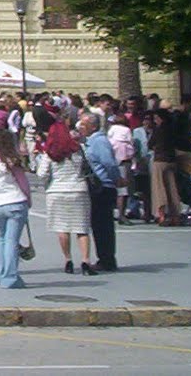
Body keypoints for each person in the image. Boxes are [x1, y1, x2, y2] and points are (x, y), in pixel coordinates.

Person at [32, 115, 95, 274]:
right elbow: (88, 167)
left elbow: (41, 174)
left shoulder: (50, 154)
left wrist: (48, 182)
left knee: (62, 228)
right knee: (82, 228)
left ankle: (68, 260)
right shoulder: (79, 150)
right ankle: (86, 261)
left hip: (57, 191)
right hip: (78, 189)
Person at [0, 128, 32, 289]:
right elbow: (22, 182)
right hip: (15, 200)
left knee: (1, 239)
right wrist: (28, 200)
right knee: (12, 241)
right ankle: (10, 277)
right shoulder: (10, 160)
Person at [78, 113, 122, 272]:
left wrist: (116, 179)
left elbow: (109, 163)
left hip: (103, 186)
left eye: (83, 125)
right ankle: (103, 257)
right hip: (96, 187)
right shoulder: (90, 142)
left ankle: (108, 259)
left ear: (93, 126)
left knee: (104, 225)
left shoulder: (99, 141)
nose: (80, 128)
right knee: (97, 225)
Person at [147, 108, 182, 225]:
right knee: (172, 189)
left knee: (159, 189)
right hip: (172, 160)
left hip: (160, 160)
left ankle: (162, 216)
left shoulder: (158, 130)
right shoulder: (173, 129)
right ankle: (175, 215)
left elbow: (150, 144)